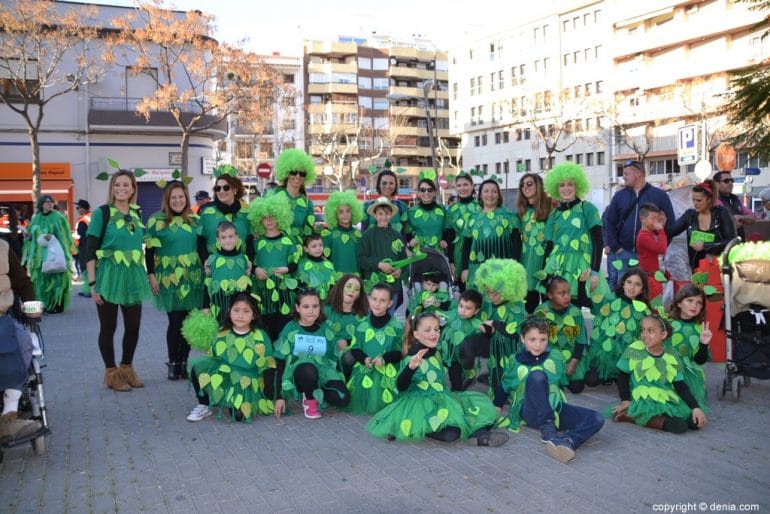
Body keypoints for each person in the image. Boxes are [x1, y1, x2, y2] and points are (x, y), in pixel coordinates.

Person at [367, 312, 508, 446]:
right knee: (451, 434)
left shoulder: (435, 351)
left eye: (436, 329)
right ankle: (414, 427)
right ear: (416, 334)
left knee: (485, 411)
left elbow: (451, 367)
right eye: (427, 330)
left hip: (443, 398)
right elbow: (401, 386)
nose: (434, 333)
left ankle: (479, 435)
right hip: (421, 403)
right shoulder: (412, 358)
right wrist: (411, 367)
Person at [497, 317, 604, 463]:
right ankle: (547, 427)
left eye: (543, 339)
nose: (538, 344)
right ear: (522, 338)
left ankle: (567, 441)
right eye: (532, 339)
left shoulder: (554, 356)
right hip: (530, 411)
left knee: (597, 418)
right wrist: (496, 406)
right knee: (537, 376)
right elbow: (504, 386)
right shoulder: (514, 360)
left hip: (555, 409)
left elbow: (561, 384)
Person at [86, 170, 151, 392]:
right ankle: (112, 374)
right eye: (117, 185)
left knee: (133, 326)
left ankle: (126, 369)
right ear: (112, 188)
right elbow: (90, 250)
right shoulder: (102, 213)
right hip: (109, 277)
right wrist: (93, 284)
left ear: (133, 189)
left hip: (132, 276)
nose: (121, 188)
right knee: (108, 327)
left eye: (126, 185)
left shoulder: (136, 213)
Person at [187, 292, 282, 422]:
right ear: (229, 311)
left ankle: (238, 400)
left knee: (238, 416)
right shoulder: (222, 333)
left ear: (253, 315)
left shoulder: (261, 336)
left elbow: (268, 366)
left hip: (248, 381)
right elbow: (213, 359)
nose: (240, 315)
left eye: (246, 311)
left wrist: (269, 395)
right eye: (236, 310)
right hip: (227, 375)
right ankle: (203, 404)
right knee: (199, 366)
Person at [145, 182, 205, 380]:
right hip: (169, 278)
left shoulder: (195, 220)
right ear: (167, 200)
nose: (178, 201)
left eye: (181, 197)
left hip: (193, 277)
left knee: (188, 322)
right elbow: (150, 250)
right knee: (174, 321)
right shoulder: (157, 221)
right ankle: (173, 363)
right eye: (173, 198)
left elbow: (203, 249)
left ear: (186, 198)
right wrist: (151, 275)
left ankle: (183, 363)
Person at [611, 315, 708, 434]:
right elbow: (622, 376)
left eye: (650, 331)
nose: (645, 335)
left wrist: (695, 407)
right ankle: (629, 416)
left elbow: (680, 386)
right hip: (644, 399)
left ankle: (662, 417)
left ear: (663, 335)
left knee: (694, 423)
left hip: (664, 397)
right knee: (679, 426)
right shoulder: (634, 350)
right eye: (643, 330)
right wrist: (625, 400)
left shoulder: (672, 355)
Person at [273, 288, 350, 419]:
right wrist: (279, 396)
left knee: (343, 400)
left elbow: (333, 356)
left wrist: (344, 343)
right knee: (308, 369)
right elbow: (280, 361)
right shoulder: (290, 328)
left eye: (315, 306)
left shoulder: (325, 328)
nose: (311, 310)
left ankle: (316, 391)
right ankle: (309, 399)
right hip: (299, 372)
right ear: (297, 308)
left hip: (322, 371)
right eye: (306, 306)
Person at [603, 160, 675, 289]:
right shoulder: (619, 196)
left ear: (638, 174)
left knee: (649, 290)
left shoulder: (659, 195)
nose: (623, 177)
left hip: (649, 256)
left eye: (626, 174)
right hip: (624, 252)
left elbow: (670, 223)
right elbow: (610, 222)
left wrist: (660, 247)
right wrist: (616, 247)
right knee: (624, 290)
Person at [0, 237, 43, 441]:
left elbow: (22, 282)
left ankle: (9, 413)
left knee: (24, 343)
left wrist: (31, 305)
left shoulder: (3, 247)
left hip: (1, 316)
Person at [541, 163, 603, 301]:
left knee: (573, 312)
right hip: (555, 267)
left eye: (570, 184)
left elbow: (598, 241)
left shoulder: (588, 209)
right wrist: (544, 274)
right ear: (556, 188)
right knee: (552, 311)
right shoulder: (554, 215)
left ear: (577, 186)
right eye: (562, 185)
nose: (566, 188)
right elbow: (549, 246)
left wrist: (595, 272)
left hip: (580, 270)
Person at [247, 194, 300, 342]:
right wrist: (255, 270)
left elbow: (295, 263)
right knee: (264, 326)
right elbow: (250, 262)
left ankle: (281, 359)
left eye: (273, 216)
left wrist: (288, 269)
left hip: (283, 290)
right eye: (265, 217)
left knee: (283, 324)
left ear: (280, 216)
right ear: (259, 220)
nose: (269, 220)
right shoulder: (256, 241)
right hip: (262, 290)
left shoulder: (288, 240)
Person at [344, 283, 404, 414]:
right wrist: (364, 359)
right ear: (369, 299)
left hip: (387, 369)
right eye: (374, 299)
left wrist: (385, 358)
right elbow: (355, 348)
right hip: (365, 367)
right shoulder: (361, 324)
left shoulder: (396, 326)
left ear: (390, 303)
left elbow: (401, 351)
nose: (377, 304)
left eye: (382, 301)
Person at [584, 268, 651, 385]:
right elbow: (584, 301)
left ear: (642, 290)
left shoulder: (643, 310)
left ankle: (616, 375)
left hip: (626, 357)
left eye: (637, 285)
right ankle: (609, 374)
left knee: (627, 382)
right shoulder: (609, 299)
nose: (632, 287)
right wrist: (581, 283)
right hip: (604, 353)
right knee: (591, 381)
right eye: (629, 282)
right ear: (623, 283)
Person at [475, 258, 528, 402]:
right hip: (495, 349)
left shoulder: (516, 307)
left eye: (495, 293)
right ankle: (496, 390)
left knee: (510, 372)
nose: (491, 297)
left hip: (511, 350)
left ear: (508, 288)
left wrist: (494, 323)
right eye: (489, 293)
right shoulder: (490, 304)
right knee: (496, 371)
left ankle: (511, 394)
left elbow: (515, 331)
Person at [460, 179, 521, 289]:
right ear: (480, 195)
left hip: (504, 269)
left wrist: (514, 267)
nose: (490, 195)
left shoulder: (509, 215)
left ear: (498, 195)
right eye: (486, 191)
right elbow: (467, 245)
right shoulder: (472, 218)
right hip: (477, 269)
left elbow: (517, 244)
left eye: (494, 191)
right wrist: (465, 268)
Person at [666, 180, 737, 272]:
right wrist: (661, 225)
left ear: (709, 199)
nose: (695, 203)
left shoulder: (722, 213)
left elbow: (732, 240)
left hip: (720, 268)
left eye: (699, 200)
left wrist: (705, 246)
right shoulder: (690, 215)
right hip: (697, 270)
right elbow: (670, 232)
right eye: (693, 200)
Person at [534, 276, 589, 394]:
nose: (567, 297)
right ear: (550, 295)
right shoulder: (541, 311)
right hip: (549, 355)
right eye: (562, 293)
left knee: (577, 388)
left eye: (568, 292)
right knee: (548, 383)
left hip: (571, 354)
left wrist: (574, 362)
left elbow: (581, 340)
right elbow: (535, 339)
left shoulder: (575, 312)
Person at [22, 195, 75, 314]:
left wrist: (52, 237)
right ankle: (46, 304)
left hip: (55, 254)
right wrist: (28, 236)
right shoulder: (36, 218)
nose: (50, 204)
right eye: (46, 202)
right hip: (41, 257)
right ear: (41, 205)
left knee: (57, 279)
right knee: (43, 280)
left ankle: (57, 305)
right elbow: (31, 236)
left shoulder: (59, 217)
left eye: (51, 202)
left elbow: (65, 237)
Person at [665, 285, 712, 412]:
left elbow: (699, 361)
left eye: (699, 303)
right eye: (690, 300)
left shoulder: (700, 329)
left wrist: (703, 344)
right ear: (679, 303)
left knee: (686, 409)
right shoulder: (667, 324)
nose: (694, 306)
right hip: (666, 371)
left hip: (688, 377)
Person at [516, 173, 554, 312]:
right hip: (526, 261)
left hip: (546, 260)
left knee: (548, 301)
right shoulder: (521, 211)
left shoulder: (551, 207)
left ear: (538, 185)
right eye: (523, 184)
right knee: (529, 303)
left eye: (529, 183)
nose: (525, 187)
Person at [357, 197, 407, 302]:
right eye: (380, 214)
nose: (384, 217)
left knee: (390, 315)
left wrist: (400, 270)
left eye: (387, 213)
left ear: (391, 215)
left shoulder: (397, 235)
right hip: (374, 287)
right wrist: (379, 264)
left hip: (393, 286)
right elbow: (361, 259)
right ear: (375, 215)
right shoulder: (367, 236)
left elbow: (404, 259)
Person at [441, 288, 491, 391]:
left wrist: (486, 328)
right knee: (453, 372)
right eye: (461, 306)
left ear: (476, 310)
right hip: (450, 354)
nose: (463, 310)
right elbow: (442, 316)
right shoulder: (453, 314)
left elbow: (487, 332)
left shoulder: (475, 323)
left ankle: (464, 382)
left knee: (461, 371)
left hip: (462, 355)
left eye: (468, 308)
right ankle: (457, 388)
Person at [196, 169, 251, 261]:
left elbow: (250, 242)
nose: (221, 191)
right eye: (218, 188)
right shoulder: (207, 213)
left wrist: (250, 264)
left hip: (241, 267)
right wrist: (206, 261)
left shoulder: (246, 214)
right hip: (214, 268)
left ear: (235, 189)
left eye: (226, 187)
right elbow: (200, 241)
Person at [203, 221, 251, 325]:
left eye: (231, 236)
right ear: (218, 240)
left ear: (236, 237)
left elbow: (247, 283)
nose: (228, 240)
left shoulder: (243, 259)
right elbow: (207, 284)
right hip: (218, 303)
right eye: (223, 237)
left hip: (238, 304)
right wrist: (206, 306)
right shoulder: (212, 259)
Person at [267, 148, 317, 242]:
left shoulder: (307, 203)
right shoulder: (273, 195)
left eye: (302, 173)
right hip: (277, 248)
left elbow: (309, 232)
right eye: (293, 172)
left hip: (298, 250)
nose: (298, 176)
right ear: (286, 173)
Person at [324, 274, 368, 371]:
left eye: (356, 289)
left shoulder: (362, 317)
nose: (352, 290)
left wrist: (348, 343)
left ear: (359, 295)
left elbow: (364, 340)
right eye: (349, 286)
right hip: (324, 354)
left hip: (345, 359)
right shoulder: (325, 310)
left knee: (350, 355)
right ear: (340, 288)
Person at [443, 171, 479, 282]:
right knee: (464, 291)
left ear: (472, 186)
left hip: (478, 252)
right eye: (459, 185)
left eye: (465, 185)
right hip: (458, 254)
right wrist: (451, 262)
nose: (462, 188)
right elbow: (449, 237)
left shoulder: (481, 207)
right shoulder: (451, 210)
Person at [322, 191, 363, 275]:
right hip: (336, 281)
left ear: (353, 212)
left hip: (355, 281)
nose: (345, 214)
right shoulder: (328, 235)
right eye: (341, 212)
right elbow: (324, 259)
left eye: (348, 211)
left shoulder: (359, 235)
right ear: (335, 214)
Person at [405, 174, 450, 252]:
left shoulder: (442, 210)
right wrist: (411, 240)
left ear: (434, 192)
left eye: (429, 190)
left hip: (438, 254)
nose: (426, 192)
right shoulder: (411, 212)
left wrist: (445, 241)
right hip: (418, 254)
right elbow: (407, 233)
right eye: (423, 190)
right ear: (418, 193)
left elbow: (447, 230)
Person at [635, 203, 668, 302]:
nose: (655, 222)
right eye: (652, 218)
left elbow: (657, 257)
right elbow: (661, 249)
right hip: (648, 277)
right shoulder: (643, 236)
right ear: (642, 219)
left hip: (654, 275)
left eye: (657, 219)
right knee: (654, 305)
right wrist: (661, 230)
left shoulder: (650, 233)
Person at [361, 169, 408, 234]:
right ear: (379, 185)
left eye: (391, 183)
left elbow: (404, 234)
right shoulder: (367, 207)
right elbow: (363, 233)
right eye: (384, 183)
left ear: (395, 185)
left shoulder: (402, 206)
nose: (388, 186)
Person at [296, 233, 338, 302]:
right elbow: (302, 285)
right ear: (306, 249)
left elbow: (334, 282)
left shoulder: (328, 263)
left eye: (320, 245)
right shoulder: (302, 264)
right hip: (310, 301)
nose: (318, 248)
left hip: (327, 300)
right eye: (314, 246)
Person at [714, 171, 755, 239]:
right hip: (724, 244)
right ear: (716, 184)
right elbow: (728, 222)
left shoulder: (735, 199)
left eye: (732, 180)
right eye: (726, 181)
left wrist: (741, 217)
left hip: (739, 242)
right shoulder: (714, 200)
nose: (730, 183)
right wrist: (736, 220)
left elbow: (753, 217)